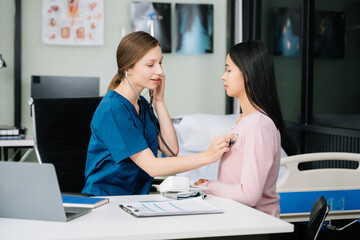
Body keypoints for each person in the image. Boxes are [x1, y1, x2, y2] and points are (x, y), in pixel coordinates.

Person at [82, 31, 234, 196]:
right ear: (128, 67)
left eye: (160, 63)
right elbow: (152, 166)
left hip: (134, 198)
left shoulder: (141, 104)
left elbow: (171, 149)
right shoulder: (113, 109)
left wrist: (159, 101)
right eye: (150, 65)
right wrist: (207, 156)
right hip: (107, 200)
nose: (160, 71)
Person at [195, 40, 284, 218]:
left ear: (248, 74)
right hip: (238, 217)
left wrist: (207, 185)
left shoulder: (259, 126)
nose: (223, 76)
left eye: (228, 70)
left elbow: (249, 195)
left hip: (256, 224)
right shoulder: (245, 121)